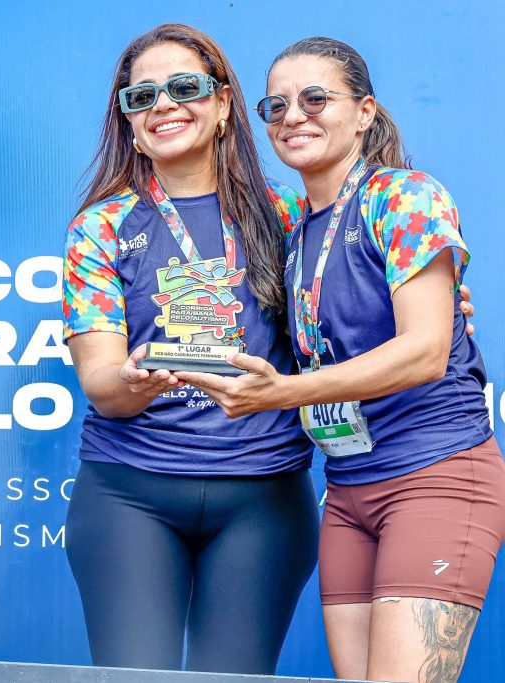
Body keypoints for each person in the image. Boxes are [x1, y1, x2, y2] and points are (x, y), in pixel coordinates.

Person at [177, 37, 505, 683]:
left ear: (364, 112)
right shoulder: (294, 230)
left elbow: (426, 352)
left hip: (434, 473)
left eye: (315, 98)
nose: (292, 116)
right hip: (348, 490)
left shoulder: (404, 196)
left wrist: (282, 393)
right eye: (276, 106)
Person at [60, 24, 320, 674]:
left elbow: (349, 319)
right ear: (129, 122)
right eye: (141, 96)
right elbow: (102, 385)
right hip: (130, 494)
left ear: (224, 102)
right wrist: (132, 379)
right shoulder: (100, 227)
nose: (163, 105)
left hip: (264, 496)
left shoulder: (288, 213)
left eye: (183, 87)